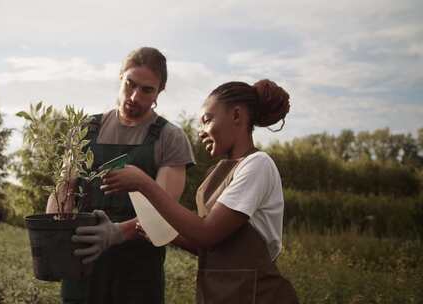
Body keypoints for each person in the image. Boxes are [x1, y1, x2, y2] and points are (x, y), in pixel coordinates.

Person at [98, 80, 299, 303]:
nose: (201, 132)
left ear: (236, 115)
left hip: (257, 295)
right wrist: (166, 233)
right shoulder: (216, 173)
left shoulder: (257, 164)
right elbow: (210, 246)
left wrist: (144, 183)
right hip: (220, 294)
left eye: (207, 120)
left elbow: (206, 233)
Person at [47, 47, 195, 304]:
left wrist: (116, 233)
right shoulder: (84, 130)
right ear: (120, 78)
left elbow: (162, 212)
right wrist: (53, 234)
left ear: (159, 92)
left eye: (147, 90)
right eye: (130, 84)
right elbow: (63, 192)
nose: (134, 96)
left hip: (137, 275)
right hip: (83, 267)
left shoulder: (169, 138)